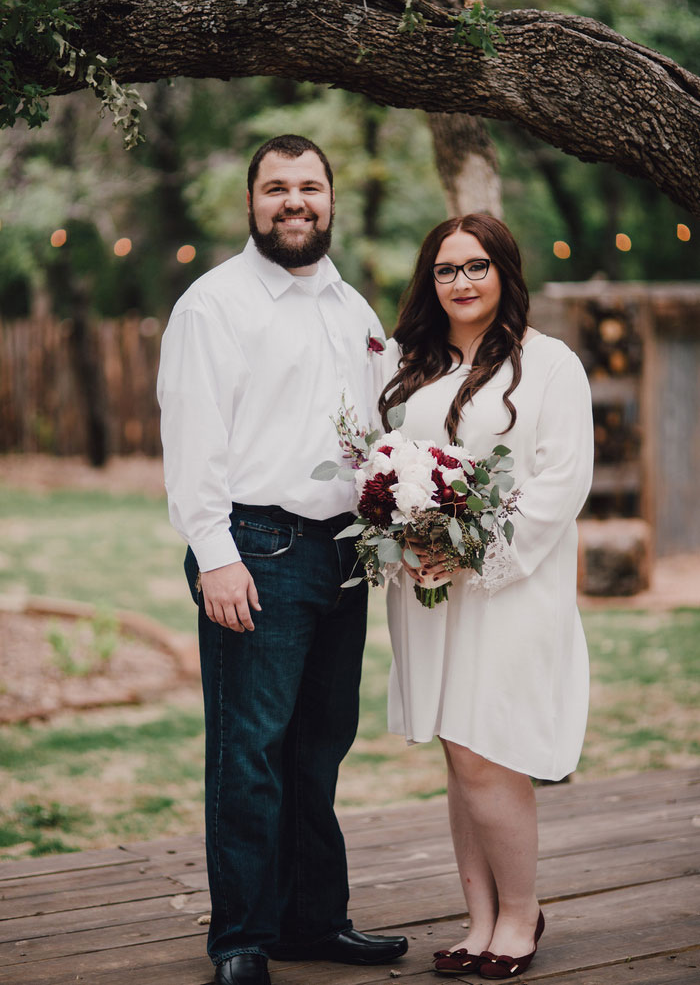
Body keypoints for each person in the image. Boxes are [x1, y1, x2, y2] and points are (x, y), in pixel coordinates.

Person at [157, 134, 408, 985]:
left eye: (308, 187)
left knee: (319, 747)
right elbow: (192, 441)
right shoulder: (214, 304)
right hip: (256, 549)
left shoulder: (353, 309)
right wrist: (216, 555)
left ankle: (313, 921)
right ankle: (241, 939)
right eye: (275, 188)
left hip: (343, 552)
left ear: (330, 198)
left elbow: (382, 430)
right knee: (249, 750)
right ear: (252, 202)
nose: (293, 202)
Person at [377, 213, 593, 979]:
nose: (461, 282)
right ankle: (477, 919)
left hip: (508, 588)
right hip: (429, 587)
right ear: (429, 283)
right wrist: (410, 541)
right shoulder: (415, 366)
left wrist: (473, 558)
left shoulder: (551, 365)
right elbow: (387, 468)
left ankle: (521, 914)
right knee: (456, 749)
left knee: (487, 750)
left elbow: (561, 484)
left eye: (475, 267)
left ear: (504, 271)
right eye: (446, 270)